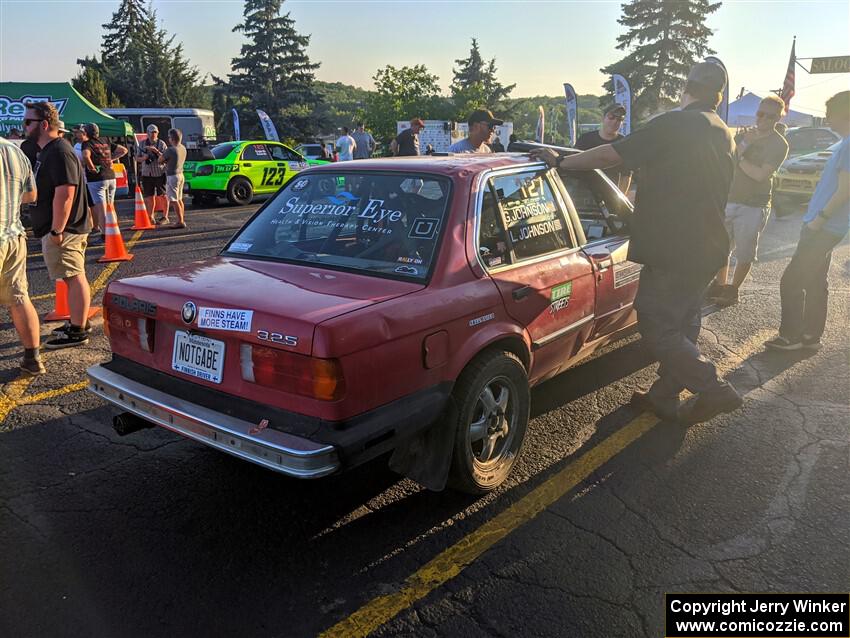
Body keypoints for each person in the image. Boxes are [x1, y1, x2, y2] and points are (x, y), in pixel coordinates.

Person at [531, 62, 742, 425]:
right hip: (708, 246)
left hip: (674, 248)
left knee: (658, 326)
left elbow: (610, 155)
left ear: (685, 89)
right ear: (718, 96)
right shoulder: (722, 130)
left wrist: (561, 162)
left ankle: (713, 389)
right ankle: (663, 396)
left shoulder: (675, 123)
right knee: (684, 322)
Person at [765, 91, 850, 351]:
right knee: (815, 280)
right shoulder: (843, 142)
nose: (827, 119)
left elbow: (845, 189)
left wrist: (818, 220)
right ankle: (811, 337)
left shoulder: (848, 145)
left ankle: (790, 336)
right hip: (826, 225)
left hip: (824, 226)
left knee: (792, 280)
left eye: (830, 114)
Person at [23, 101, 92, 349]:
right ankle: (78, 321)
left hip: (66, 229)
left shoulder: (59, 152)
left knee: (73, 276)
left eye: (28, 121)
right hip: (63, 228)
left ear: (43, 124)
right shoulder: (50, 150)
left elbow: (65, 194)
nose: (24, 126)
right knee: (72, 276)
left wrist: (57, 230)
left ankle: (78, 330)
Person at [708, 95, 788, 307]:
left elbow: (760, 175)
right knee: (721, 247)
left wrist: (740, 158)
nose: (763, 119)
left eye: (770, 116)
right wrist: (746, 144)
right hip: (730, 198)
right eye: (760, 113)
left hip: (754, 203)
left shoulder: (779, 144)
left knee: (745, 251)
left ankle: (733, 290)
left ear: (779, 118)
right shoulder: (744, 136)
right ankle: (720, 284)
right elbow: (727, 162)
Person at [0, 137, 45, 374]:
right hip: (13, 235)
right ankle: (32, 358)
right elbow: (31, 195)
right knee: (19, 298)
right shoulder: (14, 151)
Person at [80, 123, 127, 239]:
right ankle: (115, 231)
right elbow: (123, 150)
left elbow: (86, 155)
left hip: (96, 179)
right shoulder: (105, 140)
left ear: (86, 133)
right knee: (110, 206)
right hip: (111, 176)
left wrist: (91, 167)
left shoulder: (87, 143)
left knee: (101, 208)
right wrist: (111, 159)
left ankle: (106, 235)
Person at [575, 103, 632, 192]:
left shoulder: (624, 144)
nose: (614, 121)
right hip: (584, 195)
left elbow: (626, 175)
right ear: (603, 118)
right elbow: (572, 166)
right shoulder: (585, 140)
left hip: (609, 197)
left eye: (619, 119)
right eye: (611, 117)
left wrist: (619, 201)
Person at [136, 124, 168, 225]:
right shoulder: (141, 144)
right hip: (147, 173)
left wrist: (156, 151)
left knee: (162, 196)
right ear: (147, 133)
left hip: (159, 172)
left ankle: (165, 216)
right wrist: (145, 157)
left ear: (157, 133)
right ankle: (150, 216)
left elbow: (166, 158)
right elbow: (137, 158)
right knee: (149, 196)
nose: (152, 134)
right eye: (150, 132)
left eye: (154, 132)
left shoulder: (162, 143)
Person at [159, 128, 187, 228]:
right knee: (179, 199)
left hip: (172, 176)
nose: (168, 139)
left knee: (174, 201)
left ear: (172, 138)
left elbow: (160, 160)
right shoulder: (183, 148)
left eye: (169, 137)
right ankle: (182, 218)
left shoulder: (170, 150)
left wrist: (158, 154)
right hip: (181, 174)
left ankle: (180, 221)